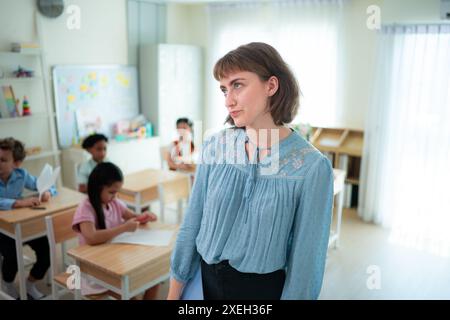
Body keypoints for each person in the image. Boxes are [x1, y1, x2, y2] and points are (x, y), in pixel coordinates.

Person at [168, 42, 334, 300]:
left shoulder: (312, 167)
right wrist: (173, 295)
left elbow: (306, 264)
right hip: (204, 285)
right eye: (223, 89)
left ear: (271, 86)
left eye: (237, 85)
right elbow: (192, 224)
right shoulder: (215, 145)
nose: (228, 101)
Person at [72, 162, 160, 299]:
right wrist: (123, 228)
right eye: (112, 192)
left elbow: (132, 216)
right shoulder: (86, 207)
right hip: (94, 270)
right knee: (133, 291)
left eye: (117, 191)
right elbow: (92, 237)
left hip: (115, 260)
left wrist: (145, 216)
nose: (115, 195)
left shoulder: (113, 202)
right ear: (97, 188)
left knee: (154, 278)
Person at [0, 137, 57, 299]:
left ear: (16, 163)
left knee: (47, 252)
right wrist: (19, 203)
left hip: (19, 224)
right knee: (12, 256)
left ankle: (29, 284)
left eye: (3, 160)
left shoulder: (22, 174)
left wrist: (47, 192)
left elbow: (45, 186)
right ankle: (8, 283)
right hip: (1, 228)